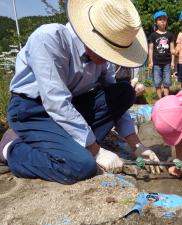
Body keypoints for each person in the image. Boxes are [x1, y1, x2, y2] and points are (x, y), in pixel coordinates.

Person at [0, 0, 162, 184]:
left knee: (125, 92)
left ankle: (66, 142)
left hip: (71, 107)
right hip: (32, 111)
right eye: (108, 51)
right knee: (81, 166)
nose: (110, 58)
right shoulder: (49, 39)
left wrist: (137, 145)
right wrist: (96, 151)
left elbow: (112, 100)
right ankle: (12, 148)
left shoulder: (103, 58)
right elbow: (56, 101)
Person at [148, 10, 175, 99]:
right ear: (156, 22)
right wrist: (151, 62)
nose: (162, 21)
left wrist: (173, 62)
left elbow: (172, 49)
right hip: (156, 63)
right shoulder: (153, 35)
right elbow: (151, 49)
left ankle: (166, 99)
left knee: (167, 81)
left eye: (164, 19)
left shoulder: (170, 35)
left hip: (167, 63)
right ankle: (160, 99)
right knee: (157, 81)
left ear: (166, 22)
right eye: (160, 19)